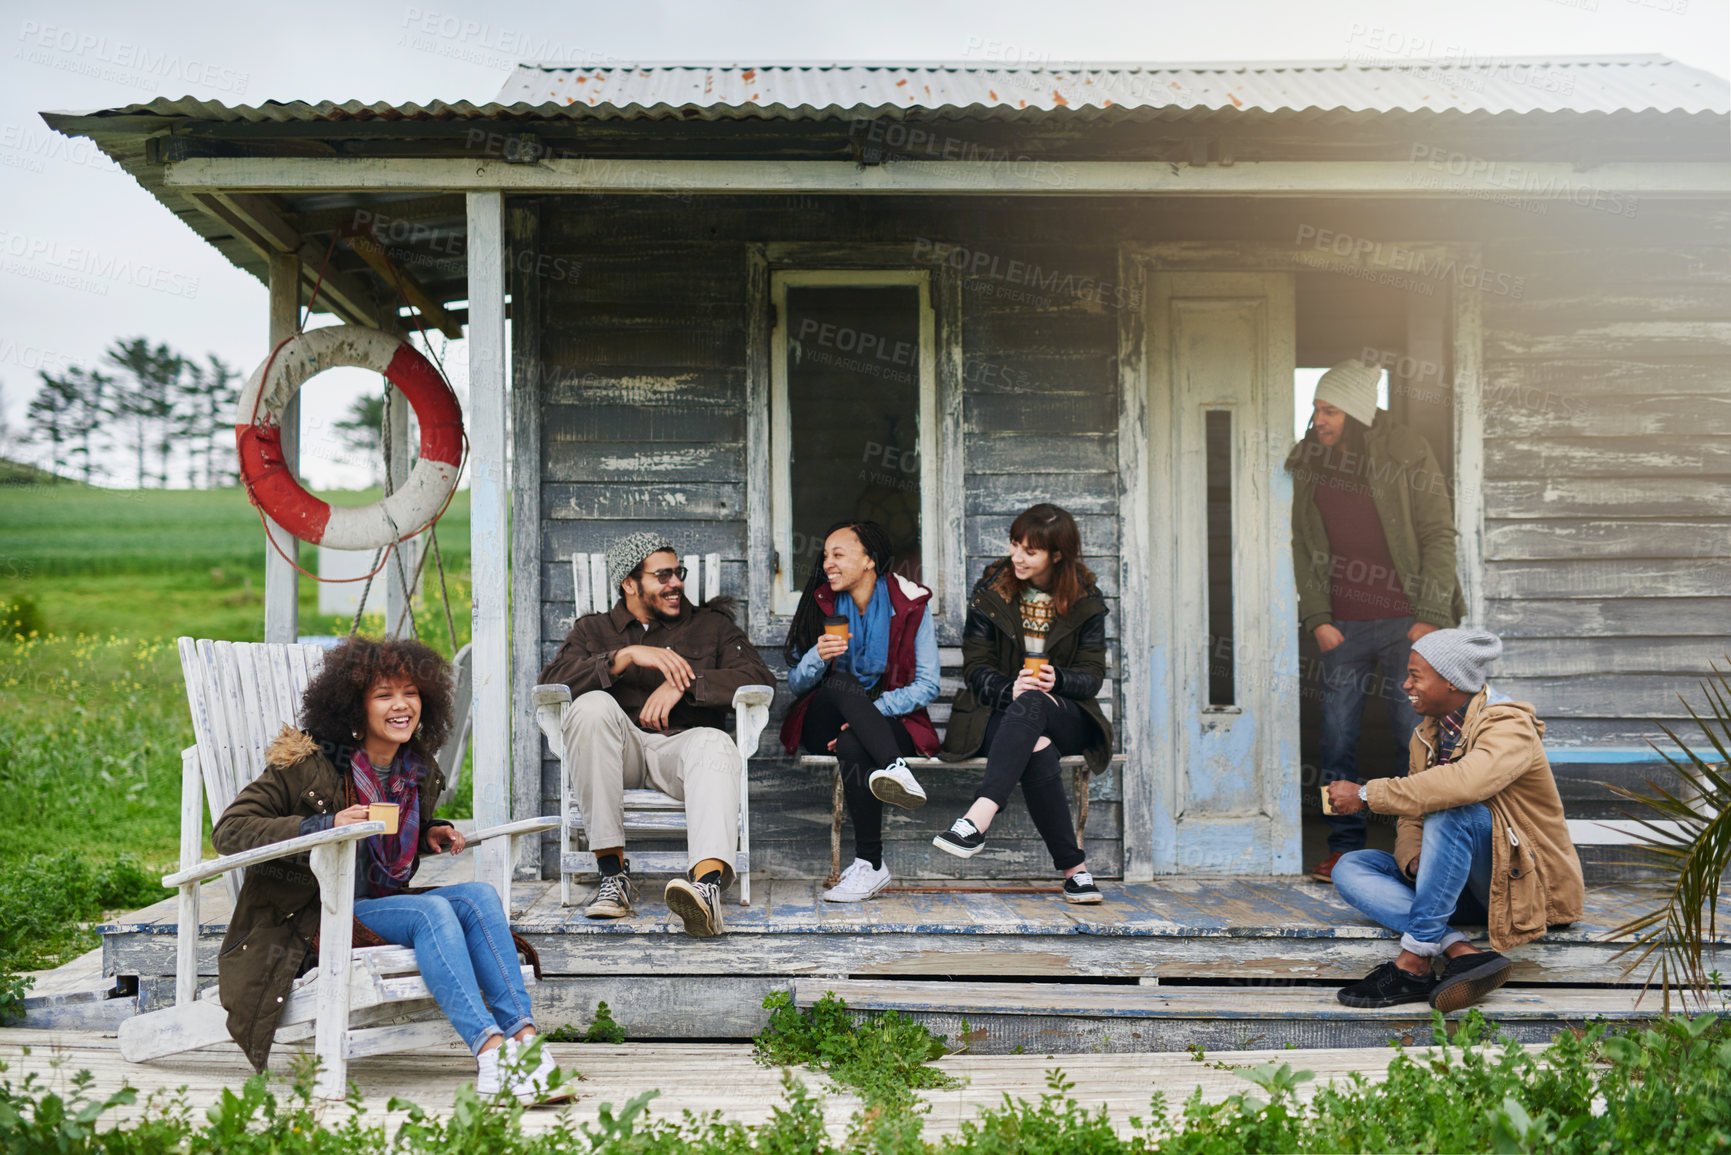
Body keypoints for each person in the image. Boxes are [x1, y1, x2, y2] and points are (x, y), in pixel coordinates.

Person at [212, 636, 569, 1104]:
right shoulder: (309, 767)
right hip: (311, 918)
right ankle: (490, 1055)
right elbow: (231, 831)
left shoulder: (413, 768)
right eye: (384, 695)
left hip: (372, 906)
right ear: (353, 708)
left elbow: (381, 842)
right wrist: (323, 825)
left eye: (412, 693)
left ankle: (524, 1045)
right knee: (432, 914)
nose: (402, 706)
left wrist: (426, 832)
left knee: (479, 897)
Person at [1326, 628, 1585, 1012]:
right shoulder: (1428, 734)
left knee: (1455, 810)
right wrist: (1413, 859)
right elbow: (1413, 814)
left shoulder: (1509, 726)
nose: (1405, 684)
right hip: (1459, 890)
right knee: (1351, 866)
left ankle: (1413, 963)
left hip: (1525, 894)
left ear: (1451, 680)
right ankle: (1459, 949)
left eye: (1415, 675)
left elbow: (1464, 784)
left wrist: (1366, 795)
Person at [540, 531, 773, 937]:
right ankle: (613, 878)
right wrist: (623, 657)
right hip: (619, 753)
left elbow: (757, 678)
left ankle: (705, 890)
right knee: (590, 706)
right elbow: (551, 683)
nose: (676, 583)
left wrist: (687, 681)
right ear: (630, 584)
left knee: (716, 741)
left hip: (680, 753)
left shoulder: (711, 627)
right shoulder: (593, 631)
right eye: (662, 575)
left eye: (677, 572)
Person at [1285, 360, 1465, 884]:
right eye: (1316, 408)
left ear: (1358, 414)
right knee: (1336, 737)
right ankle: (1343, 848)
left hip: (1408, 624)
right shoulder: (1311, 458)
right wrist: (1318, 617)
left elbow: (1438, 532)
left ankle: (1422, 847)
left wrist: (1429, 616)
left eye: (1330, 410)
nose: (1318, 419)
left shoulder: (1405, 449)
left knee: (1414, 735)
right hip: (1343, 624)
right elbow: (1304, 542)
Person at [933, 503, 1113, 904]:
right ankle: (1075, 872)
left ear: (1057, 554)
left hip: (1066, 714)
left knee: (1035, 705)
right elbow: (976, 668)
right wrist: (1007, 689)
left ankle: (977, 818)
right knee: (1038, 746)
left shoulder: (1085, 599)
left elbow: (1092, 674)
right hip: (995, 714)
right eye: (1015, 544)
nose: (1017, 556)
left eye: (1029, 551)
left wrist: (1059, 679)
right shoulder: (992, 592)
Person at [779, 520, 940, 902]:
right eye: (825, 556)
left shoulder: (910, 604)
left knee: (854, 744)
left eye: (838, 555)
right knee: (842, 683)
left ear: (869, 560)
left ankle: (871, 865)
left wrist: (870, 714)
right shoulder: (823, 602)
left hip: (884, 723)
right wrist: (818, 657)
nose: (827, 564)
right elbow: (796, 684)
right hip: (823, 718)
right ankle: (895, 768)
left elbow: (928, 685)